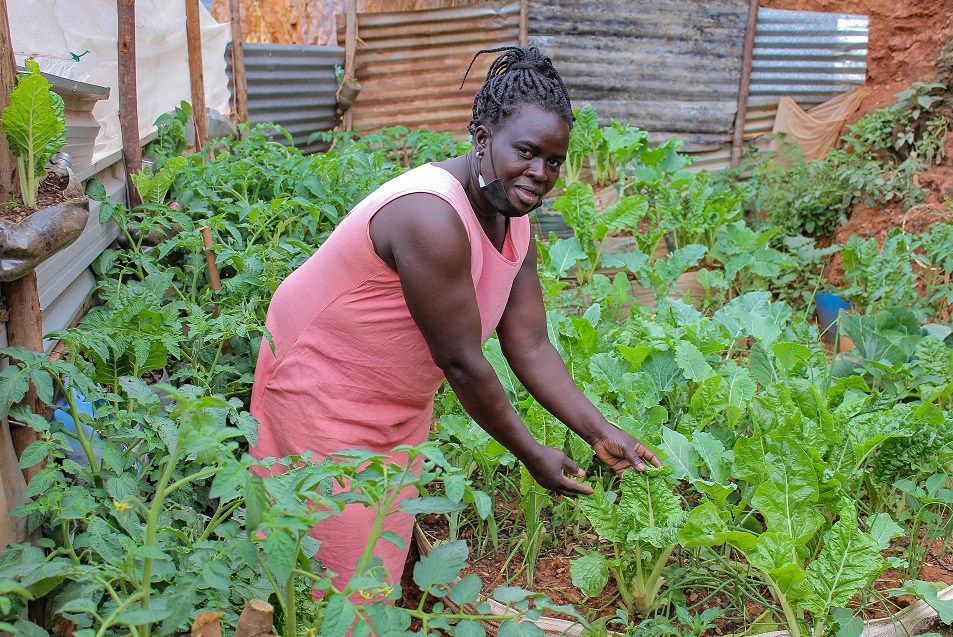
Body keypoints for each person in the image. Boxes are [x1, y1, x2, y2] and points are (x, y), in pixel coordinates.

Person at [249, 45, 661, 595]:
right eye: (527, 152)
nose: (540, 174)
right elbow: (462, 362)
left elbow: (531, 345)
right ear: (482, 137)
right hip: (320, 388)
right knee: (336, 582)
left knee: (377, 556)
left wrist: (601, 433)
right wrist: (531, 454)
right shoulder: (430, 215)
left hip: (395, 402)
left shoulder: (515, 222)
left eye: (554, 161)